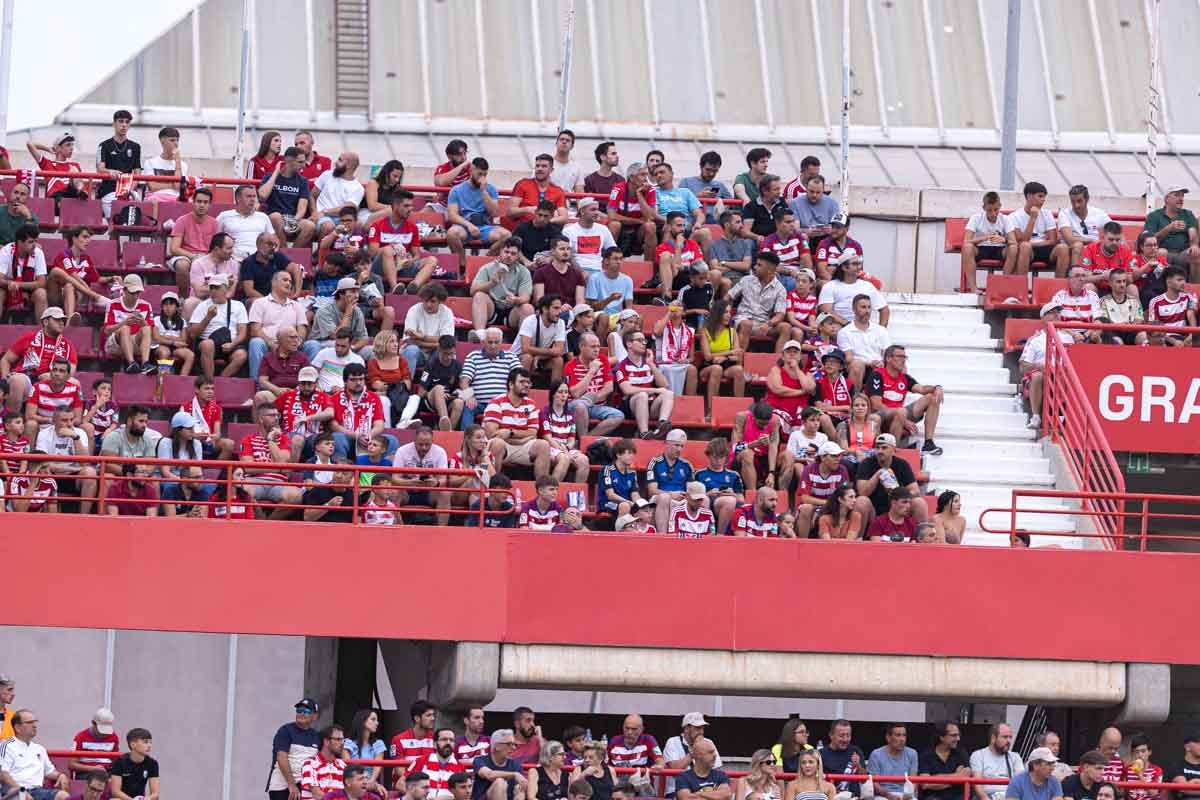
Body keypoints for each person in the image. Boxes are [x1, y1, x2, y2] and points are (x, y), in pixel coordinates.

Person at [866, 345, 944, 455]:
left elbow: (921, 389)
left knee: (932, 397)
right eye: (900, 356)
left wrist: (937, 388)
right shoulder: (877, 375)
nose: (903, 360)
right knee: (901, 411)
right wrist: (905, 421)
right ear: (888, 358)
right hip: (881, 416)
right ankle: (892, 452)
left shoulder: (904, 377)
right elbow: (876, 404)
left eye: (905, 357)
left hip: (899, 414)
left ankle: (928, 443)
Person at [366, 189, 439, 293]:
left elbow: (417, 255)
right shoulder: (377, 225)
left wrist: (411, 261)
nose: (410, 209)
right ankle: (394, 287)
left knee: (432, 260)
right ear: (395, 206)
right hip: (381, 268)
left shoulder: (413, 228)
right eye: (406, 206)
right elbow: (372, 252)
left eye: (411, 206)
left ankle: (414, 286)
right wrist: (392, 248)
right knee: (387, 250)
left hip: (403, 266)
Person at [1019, 303, 1077, 430]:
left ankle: (1060, 415)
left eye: (1058, 312)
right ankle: (1036, 417)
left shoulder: (1068, 337)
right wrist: (1039, 366)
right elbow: (1023, 366)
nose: (1056, 314)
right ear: (1043, 318)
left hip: (1061, 374)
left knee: (1065, 374)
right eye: (1052, 312)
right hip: (1043, 375)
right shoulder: (1035, 339)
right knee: (1037, 375)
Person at [447, 157, 511, 268]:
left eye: (485, 175)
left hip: (484, 227)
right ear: (471, 170)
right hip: (465, 226)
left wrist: (483, 191)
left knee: (507, 235)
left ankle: (487, 259)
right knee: (452, 234)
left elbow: (494, 212)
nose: (482, 177)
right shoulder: (457, 190)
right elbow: (452, 215)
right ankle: (462, 265)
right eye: (480, 174)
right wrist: (469, 225)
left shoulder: (491, 189)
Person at [47, 226, 116, 326]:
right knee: (63, 278)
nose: (88, 241)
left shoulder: (86, 258)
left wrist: (112, 278)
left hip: (74, 295)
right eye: (84, 237)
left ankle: (70, 320)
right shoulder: (64, 255)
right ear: (74, 239)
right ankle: (95, 297)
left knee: (69, 286)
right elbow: (73, 275)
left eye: (88, 238)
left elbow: (97, 279)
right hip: (56, 296)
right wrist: (90, 292)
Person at [470, 238, 535, 341]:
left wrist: (516, 300)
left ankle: (523, 344)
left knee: (528, 308)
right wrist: (492, 283)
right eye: (506, 252)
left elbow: (526, 297)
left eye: (513, 253)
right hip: (492, 309)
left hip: (511, 311)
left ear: (518, 256)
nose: (509, 255)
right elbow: (473, 291)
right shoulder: (487, 268)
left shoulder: (524, 272)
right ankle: (480, 335)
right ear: (500, 252)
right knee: (479, 295)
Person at [616, 330, 675, 440]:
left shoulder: (648, 363)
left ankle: (662, 424)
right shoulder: (621, 366)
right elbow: (627, 390)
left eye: (644, 340)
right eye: (640, 340)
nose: (644, 343)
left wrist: (651, 365)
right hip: (631, 406)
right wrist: (655, 391)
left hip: (650, 406)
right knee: (642, 395)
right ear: (629, 344)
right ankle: (644, 432)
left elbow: (664, 384)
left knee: (668, 393)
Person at [188, 274, 250, 379]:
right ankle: (209, 381)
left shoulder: (238, 305)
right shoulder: (203, 305)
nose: (213, 291)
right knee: (208, 345)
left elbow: (243, 333)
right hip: (208, 341)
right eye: (211, 288)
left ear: (225, 289)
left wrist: (232, 344)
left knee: (241, 355)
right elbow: (193, 334)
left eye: (217, 288)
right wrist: (208, 317)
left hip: (230, 342)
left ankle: (220, 380)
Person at [0, 709, 71, 800]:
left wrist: (61, 775)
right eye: (29, 722)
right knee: (22, 796)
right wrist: (22, 791)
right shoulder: (7, 746)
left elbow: (49, 771)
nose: (34, 726)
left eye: (35, 722)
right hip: (14, 791)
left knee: (64, 796)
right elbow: (3, 773)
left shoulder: (39, 749)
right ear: (17, 727)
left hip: (37, 791)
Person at [564, 332, 623, 437]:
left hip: (596, 406)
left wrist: (591, 400)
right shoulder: (570, 365)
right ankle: (583, 441)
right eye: (593, 347)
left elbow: (609, 388)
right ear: (582, 347)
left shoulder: (603, 360)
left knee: (618, 415)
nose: (597, 350)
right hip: (575, 405)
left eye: (598, 346)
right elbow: (575, 393)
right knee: (580, 406)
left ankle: (586, 439)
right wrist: (591, 371)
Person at [731, 253, 790, 353]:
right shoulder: (746, 280)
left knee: (786, 327)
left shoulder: (780, 289)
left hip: (763, 325)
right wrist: (725, 309)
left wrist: (769, 323)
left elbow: (780, 315)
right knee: (747, 324)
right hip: (743, 321)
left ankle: (779, 363)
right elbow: (728, 296)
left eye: (759, 265)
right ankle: (738, 362)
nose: (754, 267)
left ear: (769, 270)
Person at [461, 328, 520, 429]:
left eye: (496, 342)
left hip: (503, 403)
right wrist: (469, 396)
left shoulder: (512, 357)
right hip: (479, 403)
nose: (493, 346)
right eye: (490, 342)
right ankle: (467, 439)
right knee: (468, 405)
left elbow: (519, 379)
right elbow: (464, 381)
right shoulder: (473, 357)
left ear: (501, 342)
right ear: (484, 342)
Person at [259, 146, 316, 247]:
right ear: (288, 161)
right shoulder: (269, 176)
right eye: (300, 162)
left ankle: (293, 253)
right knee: (276, 217)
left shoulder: (302, 181)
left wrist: (293, 221)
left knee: (310, 226)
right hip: (273, 218)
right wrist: (276, 173)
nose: (304, 165)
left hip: (292, 219)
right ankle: (283, 250)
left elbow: (302, 209)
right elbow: (262, 196)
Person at [961, 191, 1017, 292]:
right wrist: (984, 237)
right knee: (967, 247)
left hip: (1000, 249)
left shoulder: (1005, 219)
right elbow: (967, 240)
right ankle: (973, 288)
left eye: (996, 209)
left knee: (1013, 248)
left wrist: (1004, 239)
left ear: (1000, 206)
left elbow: (1013, 242)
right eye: (989, 210)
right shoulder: (976, 218)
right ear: (984, 208)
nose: (993, 213)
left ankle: (1003, 286)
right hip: (981, 248)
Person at [1009, 182, 1067, 276]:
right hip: (1027, 251)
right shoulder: (1014, 216)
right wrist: (1033, 218)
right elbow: (1023, 241)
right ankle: (1021, 287)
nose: (1043, 200)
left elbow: (1052, 240)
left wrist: (1035, 244)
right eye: (1040, 196)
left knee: (1063, 248)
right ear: (1029, 196)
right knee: (1025, 246)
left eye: (1044, 197)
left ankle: (1059, 288)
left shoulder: (1047, 214)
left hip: (1045, 249)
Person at [305, 276, 369, 361]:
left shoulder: (357, 311)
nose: (357, 295)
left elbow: (364, 338)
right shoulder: (324, 310)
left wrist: (353, 347)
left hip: (347, 346)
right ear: (341, 294)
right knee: (332, 344)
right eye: (353, 292)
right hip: (323, 344)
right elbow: (336, 336)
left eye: (358, 292)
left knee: (373, 351)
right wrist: (347, 314)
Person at [268, 700, 322, 800]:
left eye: (306, 711)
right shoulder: (286, 730)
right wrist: (292, 785)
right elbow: (281, 757)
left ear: (315, 716)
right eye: (299, 710)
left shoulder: (317, 736)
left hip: (305, 787)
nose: (301, 713)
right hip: (282, 786)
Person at [1144, 185, 1200, 282]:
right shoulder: (1154, 216)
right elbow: (1148, 240)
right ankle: (1159, 287)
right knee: (1161, 252)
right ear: (1166, 199)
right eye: (1177, 195)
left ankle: (1193, 289)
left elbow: (1193, 233)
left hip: (1182, 253)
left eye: (1182, 196)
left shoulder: (1187, 214)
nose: (1181, 198)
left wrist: (1194, 245)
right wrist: (1168, 228)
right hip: (1164, 252)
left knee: (1195, 252)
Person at [607, 162, 659, 262]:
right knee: (614, 224)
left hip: (639, 232)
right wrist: (638, 221)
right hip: (622, 228)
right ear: (631, 178)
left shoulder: (651, 190)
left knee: (650, 226)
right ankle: (608, 261)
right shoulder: (618, 188)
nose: (646, 179)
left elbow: (650, 217)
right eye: (642, 175)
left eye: (646, 175)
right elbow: (611, 215)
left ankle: (649, 268)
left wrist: (639, 194)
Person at [540, 380, 589, 482]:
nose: (563, 395)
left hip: (565, 448)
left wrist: (567, 448)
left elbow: (571, 438)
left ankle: (576, 493)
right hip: (551, 447)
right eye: (560, 392)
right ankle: (550, 489)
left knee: (584, 460)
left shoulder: (570, 415)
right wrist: (564, 451)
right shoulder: (544, 413)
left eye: (566, 392)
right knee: (564, 459)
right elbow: (547, 438)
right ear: (553, 394)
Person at [511, 293, 568, 382]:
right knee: (527, 357)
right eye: (556, 308)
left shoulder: (560, 323)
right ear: (545, 309)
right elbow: (525, 348)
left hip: (542, 357)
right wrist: (550, 352)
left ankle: (555, 392)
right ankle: (521, 391)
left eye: (560, 308)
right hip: (518, 356)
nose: (560, 311)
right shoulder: (530, 321)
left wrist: (539, 357)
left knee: (558, 360)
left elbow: (559, 351)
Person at [95, 109, 141, 215]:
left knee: (137, 205)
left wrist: (129, 189)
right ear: (114, 124)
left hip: (128, 190)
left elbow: (138, 173)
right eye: (121, 121)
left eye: (127, 122)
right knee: (115, 220)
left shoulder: (135, 147)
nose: (124, 125)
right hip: (109, 190)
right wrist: (111, 171)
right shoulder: (104, 145)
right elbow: (100, 169)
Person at [699, 299, 746, 401]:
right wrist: (729, 352)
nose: (728, 315)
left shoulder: (732, 332)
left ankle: (739, 407)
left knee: (739, 370)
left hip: (726, 365)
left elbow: (737, 355)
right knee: (717, 369)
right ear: (717, 313)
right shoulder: (706, 331)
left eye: (730, 312)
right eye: (725, 312)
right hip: (708, 366)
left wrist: (724, 358)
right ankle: (711, 411)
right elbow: (707, 356)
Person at [0, 223, 49, 321]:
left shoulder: (38, 253)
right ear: (20, 242)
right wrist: (10, 284)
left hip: (29, 289)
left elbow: (42, 283)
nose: (35, 245)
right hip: (7, 288)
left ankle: (43, 333)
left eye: (36, 241)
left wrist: (18, 284)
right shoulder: (6, 251)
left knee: (41, 293)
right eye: (30, 242)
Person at [509, 154, 569, 229]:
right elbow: (510, 211)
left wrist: (545, 221)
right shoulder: (523, 184)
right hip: (523, 229)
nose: (539, 169)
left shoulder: (558, 191)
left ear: (551, 170)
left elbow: (564, 217)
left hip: (546, 230)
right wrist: (527, 209)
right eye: (537, 166)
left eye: (544, 166)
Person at [313, 153, 365, 235]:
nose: (335, 162)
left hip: (341, 217)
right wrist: (314, 212)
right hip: (322, 217)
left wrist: (324, 212)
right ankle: (322, 248)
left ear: (348, 166)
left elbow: (347, 209)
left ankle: (348, 247)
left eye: (340, 160)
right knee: (328, 226)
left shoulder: (358, 188)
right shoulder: (327, 175)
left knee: (359, 224)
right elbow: (312, 195)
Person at [654, 300, 699, 395]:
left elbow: (691, 357)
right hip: (663, 362)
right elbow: (657, 332)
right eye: (673, 305)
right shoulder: (661, 324)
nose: (675, 307)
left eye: (679, 305)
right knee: (666, 369)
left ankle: (689, 402)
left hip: (680, 363)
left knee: (692, 369)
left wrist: (686, 361)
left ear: (683, 312)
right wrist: (669, 313)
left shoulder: (690, 331)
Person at [918, 722, 972, 800]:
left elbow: (966, 774)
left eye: (958, 735)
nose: (958, 739)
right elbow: (925, 784)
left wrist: (936, 780)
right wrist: (956, 776)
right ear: (942, 737)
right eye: (954, 735)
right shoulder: (926, 755)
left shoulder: (961, 752)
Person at [970, 724, 1024, 800]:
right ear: (993, 738)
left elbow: (1021, 783)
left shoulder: (1015, 757)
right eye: (1005, 737)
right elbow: (978, 785)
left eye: (1010, 737)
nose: (1008, 741)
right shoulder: (978, 755)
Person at [793, 176, 843, 260]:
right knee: (803, 237)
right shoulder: (795, 203)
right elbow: (795, 228)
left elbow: (838, 227)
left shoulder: (832, 203)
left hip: (826, 238)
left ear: (823, 190)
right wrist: (807, 231)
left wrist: (831, 229)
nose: (814, 195)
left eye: (818, 192)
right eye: (811, 191)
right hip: (805, 239)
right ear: (806, 188)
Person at [1147, 265, 1198, 344]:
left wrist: (1192, 334)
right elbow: (1155, 328)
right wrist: (1173, 341)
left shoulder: (1189, 297)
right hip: (1165, 338)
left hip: (1185, 336)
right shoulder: (1155, 302)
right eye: (1179, 280)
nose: (1183, 283)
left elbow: (1191, 315)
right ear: (1169, 282)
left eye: (1184, 280)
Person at [866, 724, 918, 800]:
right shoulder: (876, 754)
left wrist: (907, 795)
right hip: (882, 796)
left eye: (904, 735)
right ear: (888, 738)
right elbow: (874, 783)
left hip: (905, 795)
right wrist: (888, 795)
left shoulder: (912, 753)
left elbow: (914, 780)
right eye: (898, 735)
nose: (902, 739)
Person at [27, 132, 86, 198]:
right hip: (55, 196)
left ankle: (80, 191)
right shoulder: (48, 164)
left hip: (71, 194)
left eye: (72, 145)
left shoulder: (74, 165)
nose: (72, 148)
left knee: (74, 169)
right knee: (73, 170)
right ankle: (80, 192)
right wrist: (47, 149)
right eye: (68, 145)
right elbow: (30, 144)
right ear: (58, 148)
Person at [681, 151, 734, 225]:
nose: (711, 174)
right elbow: (678, 202)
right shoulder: (686, 182)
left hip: (715, 222)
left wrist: (721, 206)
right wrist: (698, 196)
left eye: (715, 171)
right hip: (692, 221)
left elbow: (732, 203)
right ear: (701, 167)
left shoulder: (719, 185)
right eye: (708, 170)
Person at [473, 729, 527, 800]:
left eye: (514, 744)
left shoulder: (516, 765)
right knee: (500, 783)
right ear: (497, 746)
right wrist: (514, 774)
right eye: (508, 744)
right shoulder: (480, 760)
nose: (513, 748)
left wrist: (520, 792)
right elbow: (490, 775)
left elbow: (520, 791)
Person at [533, 236, 587, 307]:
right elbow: (539, 301)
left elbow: (580, 302)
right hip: (549, 311)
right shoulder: (540, 273)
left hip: (572, 312)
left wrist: (574, 311)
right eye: (562, 249)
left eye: (568, 249)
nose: (566, 252)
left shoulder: (577, 274)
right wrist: (559, 308)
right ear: (552, 252)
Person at [106, 728, 160, 800]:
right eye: (145, 742)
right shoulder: (119, 762)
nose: (149, 745)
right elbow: (115, 792)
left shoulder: (153, 763)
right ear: (132, 744)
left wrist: (147, 798)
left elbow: (155, 793)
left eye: (150, 742)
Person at [818, 720, 866, 799]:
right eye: (841, 736)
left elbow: (864, 780)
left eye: (848, 735)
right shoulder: (821, 754)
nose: (845, 739)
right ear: (831, 735)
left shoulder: (856, 751)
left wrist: (858, 765)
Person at [414, 729, 467, 800]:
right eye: (444, 739)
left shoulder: (460, 767)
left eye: (451, 740)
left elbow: (465, 795)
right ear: (435, 744)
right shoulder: (421, 761)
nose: (448, 742)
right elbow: (401, 784)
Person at [68, 708, 120, 779]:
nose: (104, 733)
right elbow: (71, 764)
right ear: (93, 723)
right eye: (101, 729)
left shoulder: (114, 737)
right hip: (86, 774)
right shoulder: (80, 737)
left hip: (107, 772)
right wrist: (92, 768)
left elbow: (116, 762)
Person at [299, 725, 348, 800]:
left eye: (342, 740)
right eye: (338, 739)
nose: (342, 743)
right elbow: (318, 794)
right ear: (326, 741)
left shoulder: (342, 765)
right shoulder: (309, 764)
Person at [343, 710, 387, 792]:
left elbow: (377, 768)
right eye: (373, 719)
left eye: (377, 720)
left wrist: (371, 782)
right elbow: (348, 768)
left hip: (371, 784)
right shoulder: (348, 743)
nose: (377, 723)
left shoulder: (378, 744)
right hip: (352, 784)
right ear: (362, 721)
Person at [1122, 734, 1164, 800]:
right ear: (1133, 753)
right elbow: (1123, 793)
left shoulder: (1157, 770)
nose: (1140, 755)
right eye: (1136, 752)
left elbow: (1154, 793)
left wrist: (1139, 775)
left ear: (1149, 752)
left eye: (1143, 751)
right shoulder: (1127, 770)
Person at [0, 182, 38, 246]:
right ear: (10, 194)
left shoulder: (31, 217)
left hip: (19, 252)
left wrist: (28, 217)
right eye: (16, 192)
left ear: (27, 199)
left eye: (22, 194)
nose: (18, 196)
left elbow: (30, 240)